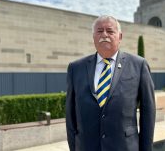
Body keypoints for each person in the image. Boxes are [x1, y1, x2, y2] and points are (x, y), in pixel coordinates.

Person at [66, 15, 156, 151]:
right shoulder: (76, 68)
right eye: (99, 31)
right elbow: (70, 114)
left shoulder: (138, 65)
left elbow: (148, 112)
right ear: (93, 37)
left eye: (110, 31)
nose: (104, 35)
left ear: (120, 37)